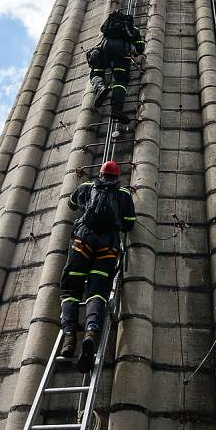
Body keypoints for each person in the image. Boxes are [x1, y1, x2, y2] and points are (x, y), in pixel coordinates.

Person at [59, 159, 136, 372]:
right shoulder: (124, 194)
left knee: (70, 291)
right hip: (107, 247)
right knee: (98, 291)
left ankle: (69, 337)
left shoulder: (85, 188)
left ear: (100, 174)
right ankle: (92, 332)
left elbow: (71, 205)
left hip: (82, 244)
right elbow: (129, 223)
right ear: (116, 176)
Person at [87, 10, 145, 124]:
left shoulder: (110, 25)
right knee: (121, 80)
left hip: (105, 48)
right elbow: (140, 48)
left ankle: (100, 87)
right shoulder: (134, 29)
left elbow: (102, 31)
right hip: (121, 52)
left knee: (97, 71)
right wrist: (135, 53)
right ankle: (116, 109)